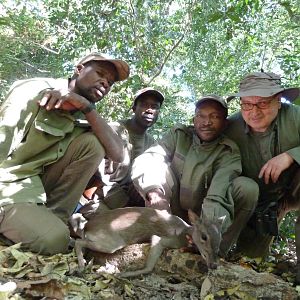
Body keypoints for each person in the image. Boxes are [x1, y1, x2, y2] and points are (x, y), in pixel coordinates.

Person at [0, 52, 129, 255]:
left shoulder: (85, 114)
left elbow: (119, 155)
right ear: (79, 70)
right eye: (100, 73)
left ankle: (52, 218)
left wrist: (87, 107)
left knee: (94, 144)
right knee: (56, 240)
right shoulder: (35, 90)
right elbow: (3, 139)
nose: (105, 83)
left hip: (35, 187)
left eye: (110, 82)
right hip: (8, 185)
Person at [131, 95, 258, 254]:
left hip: (204, 217)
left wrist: (204, 232)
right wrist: (155, 193)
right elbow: (149, 158)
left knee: (247, 188)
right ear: (194, 120)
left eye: (215, 117)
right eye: (201, 116)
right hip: (170, 211)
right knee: (157, 167)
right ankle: (159, 235)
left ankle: (215, 250)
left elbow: (218, 195)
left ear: (225, 123)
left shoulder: (228, 152)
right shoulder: (178, 135)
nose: (207, 122)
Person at [225, 72, 300, 263]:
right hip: (263, 203)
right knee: (249, 260)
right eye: (247, 104)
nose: (254, 111)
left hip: (296, 189)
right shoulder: (230, 128)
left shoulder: (295, 117)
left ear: (278, 101)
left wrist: (291, 156)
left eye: (263, 103)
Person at [77, 87, 164, 214]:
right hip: (97, 198)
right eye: (144, 105)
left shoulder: (152, 144)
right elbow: (96, 175)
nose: (150, 110)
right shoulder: (112, 130)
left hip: (128, 202)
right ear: (134, 109)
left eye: (155, 106)